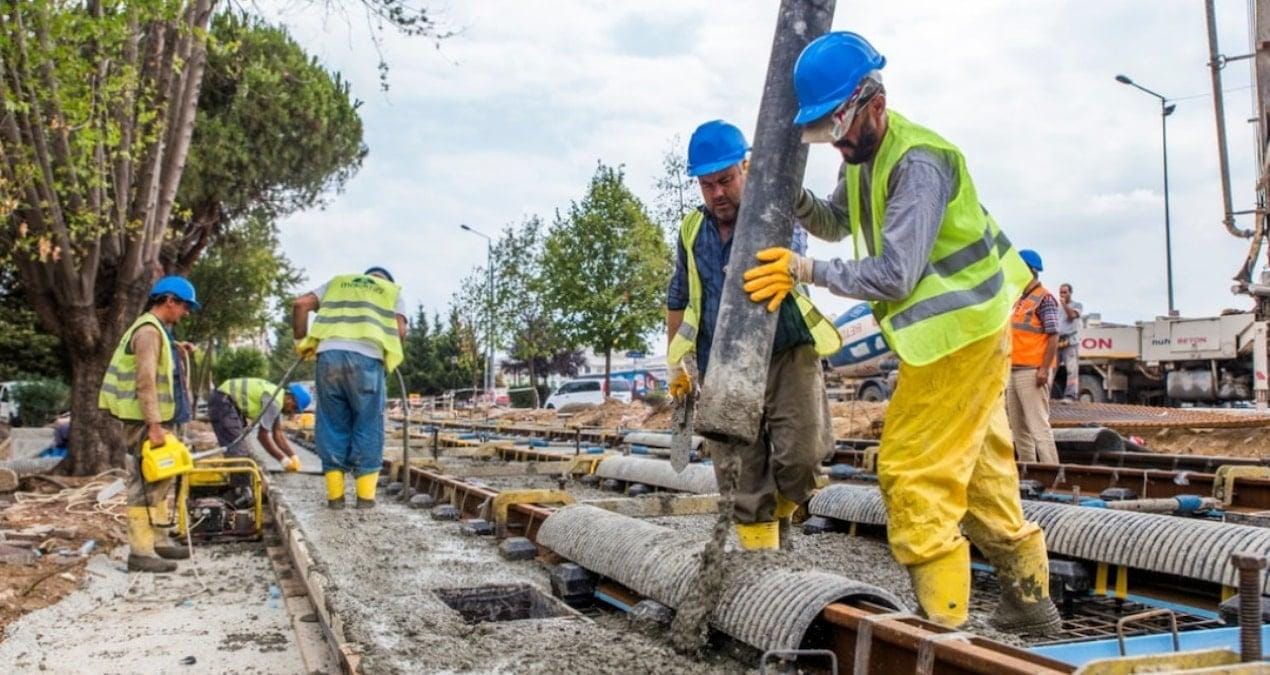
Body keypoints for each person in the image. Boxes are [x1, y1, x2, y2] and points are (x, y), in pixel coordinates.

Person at [741, 32, 1061, 634]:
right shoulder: (866, 157)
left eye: (837, 129)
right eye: (824, 134)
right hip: (956, 337)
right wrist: (797, 199)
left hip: (959, 336)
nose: (836, 144)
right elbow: (839, 221)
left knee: (912, 469)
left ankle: (942, 627)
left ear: (874, 105)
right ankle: (1031, 603)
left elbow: (895, 273)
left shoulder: (917, 163)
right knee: (982, 475)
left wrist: (804, 270)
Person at [666, 120, 841, 551]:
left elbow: (798, 245)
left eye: (725, 180)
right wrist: (677, 363)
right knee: (740, 472)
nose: (717, 193)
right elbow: (679, 295)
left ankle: (783, 506)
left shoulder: (774, 213)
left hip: (785, 351)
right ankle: (760, 562)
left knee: (800, 457)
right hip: (720, 362)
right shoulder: (692, 230)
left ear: (746, 167)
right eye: (707, 185)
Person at [98, 276, 199, 573]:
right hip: (149, 422)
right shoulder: (147, 332)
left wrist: (178, 348)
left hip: (165, 419)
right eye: (185, 306)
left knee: (162, 479)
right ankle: (141, 551)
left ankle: (159, 539)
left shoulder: (160, 333)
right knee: (146, 482)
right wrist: (154, 425)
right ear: (169, 300)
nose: (186, 312)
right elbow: (145, 382)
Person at [293, 267, 406, 510]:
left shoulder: (337, 283)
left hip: (329, 358)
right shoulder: (390, 291)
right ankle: (365, 501)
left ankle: (335, 499)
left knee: (332, 424)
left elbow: (300, 304)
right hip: (367, 360)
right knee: (368, 424)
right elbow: (400, 330)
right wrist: (388, 354)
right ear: (385, 281)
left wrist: (300, 343)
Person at [208, 378, 310, 503]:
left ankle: (241, 491)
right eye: (294, 408)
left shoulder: (277, 396)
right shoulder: (274, 402)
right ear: (290, 399)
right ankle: (239, 495)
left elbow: (277, 434)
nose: (292, 413)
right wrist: (283, 460)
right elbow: (262, 436)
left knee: (241, 449)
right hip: (223, 403)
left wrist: (293, 456)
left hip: (226, 401)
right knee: (239, 451)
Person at [1007, 250, 1060, 464]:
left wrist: (1044, 369)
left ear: (1030, 271)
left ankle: (1052, 474)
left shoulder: (1044, 299)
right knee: (1019, 429)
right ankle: (1029, 475)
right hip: (1013, 370)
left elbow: (1054, 335)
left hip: (1032, 371)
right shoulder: (1018, 300)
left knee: (1038, 427)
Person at [1057, 283, 1083, 400]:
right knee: (1051, 369)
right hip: (1057, 341)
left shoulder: (1077, 305)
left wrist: (1064, 304)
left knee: (1071, 370)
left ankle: (1070, 395)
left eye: (1064, 292)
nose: (1062, 295)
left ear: (1070, 293)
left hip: (1070, 342)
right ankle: (1045, 395)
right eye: (1061, 292)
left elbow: (1072, 315)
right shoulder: (1057, 307)